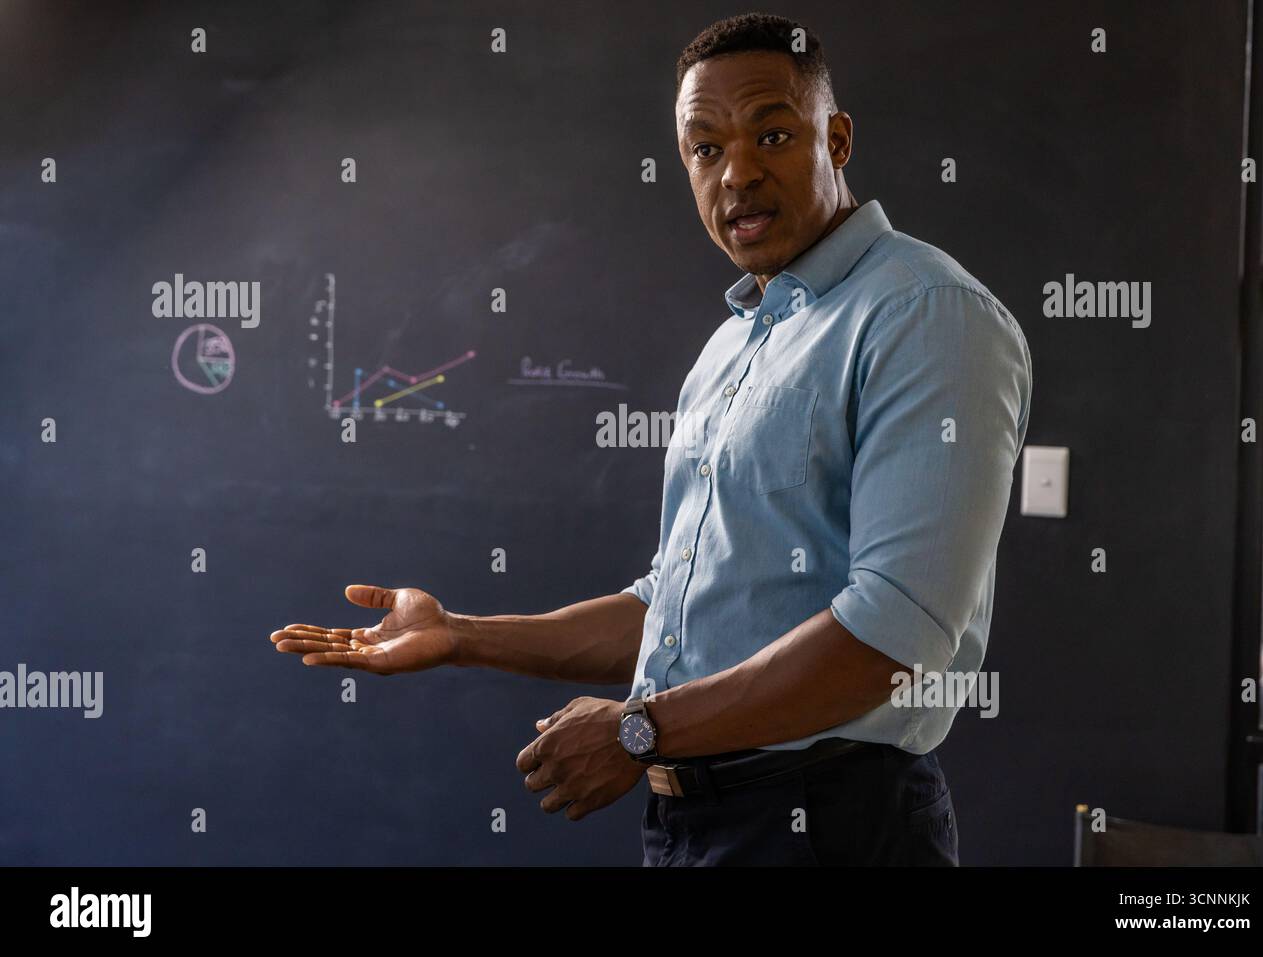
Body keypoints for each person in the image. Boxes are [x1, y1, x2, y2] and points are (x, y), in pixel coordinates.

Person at [269, 12, 1032, 866]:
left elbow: (895, 634)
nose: (737, 173)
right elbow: (670, 605)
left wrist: (639, 729)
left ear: (837, 138)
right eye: (705, 149)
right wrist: (463, 633)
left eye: (772, 134)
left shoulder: (926, 313)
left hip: (830, 825)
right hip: (691, 822)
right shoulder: (733, 345)